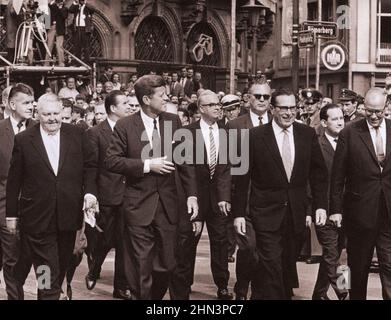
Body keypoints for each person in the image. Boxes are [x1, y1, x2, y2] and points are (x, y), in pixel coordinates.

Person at [105, 75, 199, 300]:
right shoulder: (125, 125)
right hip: (138, 205)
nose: (167, 98)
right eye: (162, 95)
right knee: (140, 265)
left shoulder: (173, 121)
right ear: (146, 99)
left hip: (168, 206)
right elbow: (112, 160)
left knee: (167, 265)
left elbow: (185, 161)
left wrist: (192, 195)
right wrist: (147, 165)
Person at [233, 88, 328, 300]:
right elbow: (242, 179)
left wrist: (320, 206)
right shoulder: (255, 137)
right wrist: (239, 213)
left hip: (295, 215)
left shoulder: (307, 134)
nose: (289, 113)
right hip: (265, 214)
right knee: (271, 265)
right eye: (283, 108)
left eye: (293, 108)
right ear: (273, 109)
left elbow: (319, 175)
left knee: (285, 267)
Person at [6, 93, 98, 300]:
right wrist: (11, 215)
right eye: (46, 114)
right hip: (37, 218)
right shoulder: (24, 139)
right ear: (38, 114)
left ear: (63, 112)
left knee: (59, 265)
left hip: (68, 215)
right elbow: (14, 181)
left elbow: (91, 167)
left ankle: (46, 292)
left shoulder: (77, 134)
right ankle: (49, 294)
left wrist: (90, 192)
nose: (52, 118)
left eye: (56, 113)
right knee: (46, 265)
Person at [170, 90, 233, 300]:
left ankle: (223, 285)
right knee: (187, 243)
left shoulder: (227, 132)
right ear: (201, 109)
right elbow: (184, 170)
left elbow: (225, 168)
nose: (218, 107)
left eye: (219, 104)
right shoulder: (186, 133)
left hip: (218, 199)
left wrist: (224, 196)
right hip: (194, 198)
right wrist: (192, 196)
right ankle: (183, 286)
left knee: (221, 243)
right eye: (213, 104)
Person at [330, 87, 391, 300]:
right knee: (358, 267)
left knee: (390, 266)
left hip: (388, 213)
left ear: (386, 107)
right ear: (363, 107)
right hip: (359, 212)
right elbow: (338, 176)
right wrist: (335, 210)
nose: (374, 116)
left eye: (379, 111)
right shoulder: (350, 132)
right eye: (369, 111)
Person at [85, 90, 132, 299]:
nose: (129, 107)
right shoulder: (95, 133)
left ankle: (120, 287)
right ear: (113, 108)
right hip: (105, 196)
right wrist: (91, 195)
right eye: (125, 103)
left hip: (128, 196)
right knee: (104, 240)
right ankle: (95, 266)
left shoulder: (132, 130)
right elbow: (91, 168)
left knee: (125, 242)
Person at [0, 83, 36, 300]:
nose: (31, 107)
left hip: (34, 208)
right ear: (12, 105)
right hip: (5, 208)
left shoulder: (39, 129)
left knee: (29, 257)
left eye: (32, 102)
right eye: (26, 103)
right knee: (12, 258)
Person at [312, 104, 349, 300]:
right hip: (324, 210)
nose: (340, 121)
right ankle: (344, 292)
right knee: (331, 253)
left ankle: (318, 295)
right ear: (324, 123)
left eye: (341, 117)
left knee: (339, 255)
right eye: (334, 119)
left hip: (346, 210)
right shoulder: (317, 145)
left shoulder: (350, 142)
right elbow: (311, 180)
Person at [45, 0, 68, 66]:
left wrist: (59, 7)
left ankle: (61, 63)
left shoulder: (64, 9)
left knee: (59, 46)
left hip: (60, 29)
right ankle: (47, 62)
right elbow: (48, 14)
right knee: (49, 46)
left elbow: (64, 16)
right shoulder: (51, 7)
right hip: (51, 27)